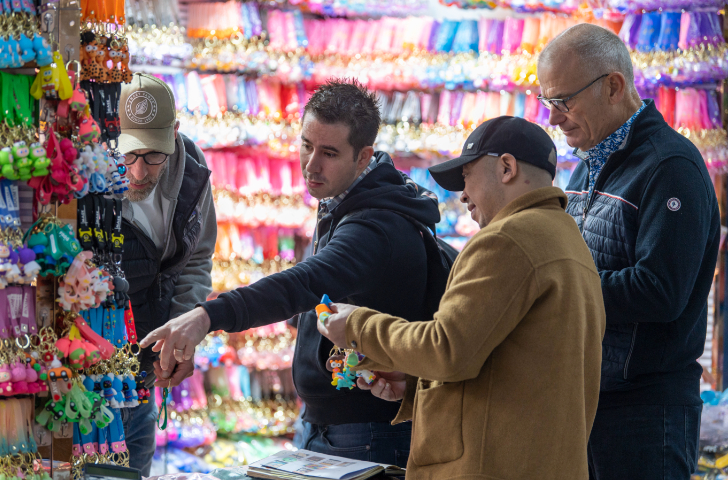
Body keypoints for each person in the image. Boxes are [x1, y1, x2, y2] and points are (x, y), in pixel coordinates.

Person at [140, 79, 443, 467]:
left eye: (329, 153)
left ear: (364, 157)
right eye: (306, 145)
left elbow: (305, 282)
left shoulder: (375, 226)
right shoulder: (350, 201)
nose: (312, 165)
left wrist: (207, 315)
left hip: (364, 434)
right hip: (337, 426)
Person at [318, 116, 607, 479]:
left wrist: (358, 325)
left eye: (467, 177)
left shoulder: (507, 240)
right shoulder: (566, 239)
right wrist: (413, 385)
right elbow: (511, 368)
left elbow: (446, 349)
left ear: (506, 167)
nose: (463, 194)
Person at [536, 24, 722, 480]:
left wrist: (554, 288)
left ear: (614, 86)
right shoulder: (585, 170)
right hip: (590, 398)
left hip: (644, 409)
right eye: (548, 103)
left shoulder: (670, 167)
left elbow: (660, 290)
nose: (554, 118)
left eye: (563, 101)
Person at [118, 73, 218, 476]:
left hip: (146, 364)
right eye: (129, 155)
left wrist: (178, 336)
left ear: (174, 134)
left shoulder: (191, 170)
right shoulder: (88, 175)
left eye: (154, 155)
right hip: (94, 361)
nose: (139, 171)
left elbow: (197, 258)